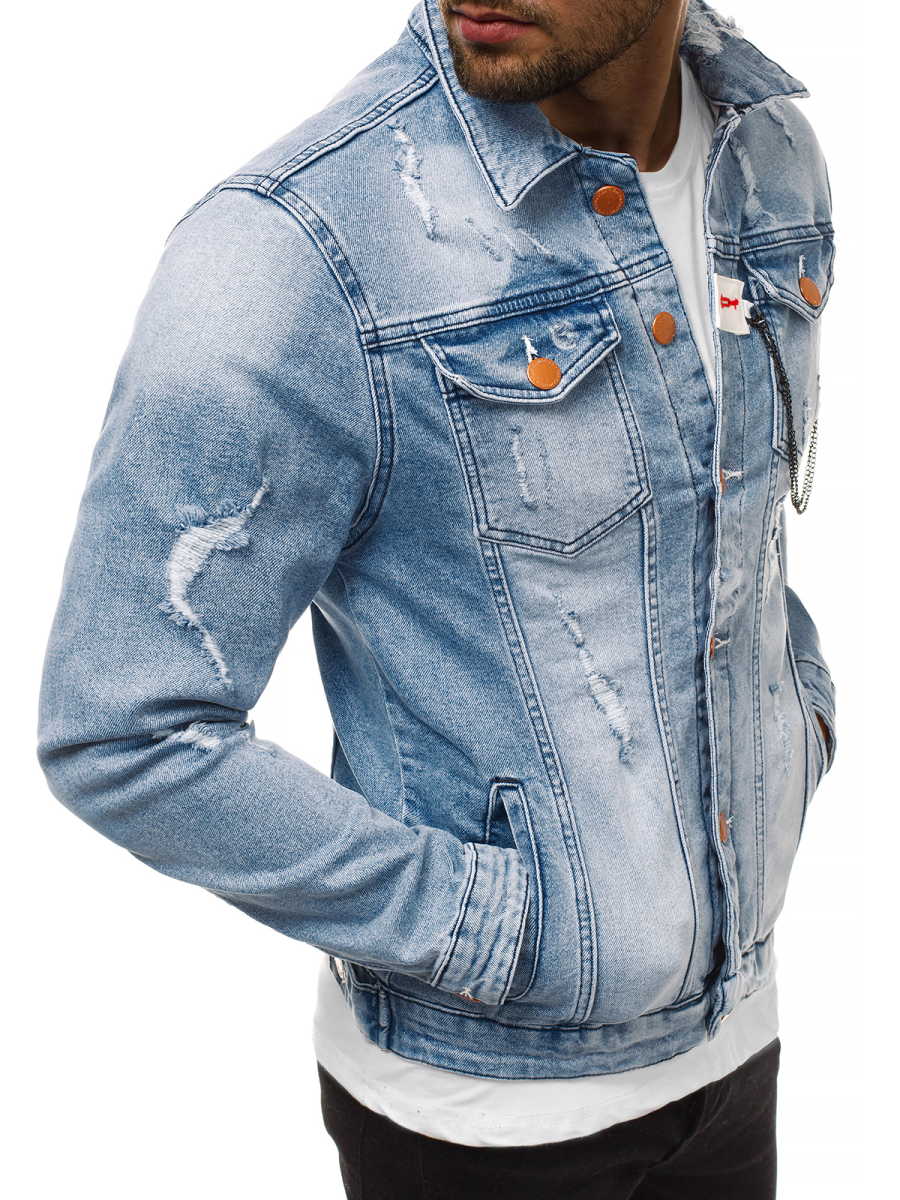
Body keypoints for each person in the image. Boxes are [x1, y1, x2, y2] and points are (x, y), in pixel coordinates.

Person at [38, 0, 837, 1195]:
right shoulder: (294, 246)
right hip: (482, 1118)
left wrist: (800, 724)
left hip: (740, 1040)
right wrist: (497, 926)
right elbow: (121, 729)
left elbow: (736, 525)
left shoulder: (767, 156)